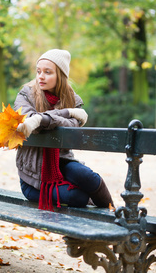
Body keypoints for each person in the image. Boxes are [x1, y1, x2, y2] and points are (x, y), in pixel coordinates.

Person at [14, 49, 114, 211]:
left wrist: (44, 119)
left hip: (62, 161)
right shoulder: (26, 95)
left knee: (89, 178)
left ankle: (115, 214)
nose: (40, 76)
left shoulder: (73, 100)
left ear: (60, 75)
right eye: (38, 71)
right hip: (33, 179)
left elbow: (72, 127)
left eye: (48, 72)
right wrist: (67, 113)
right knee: (78, 197)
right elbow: (31, 123)